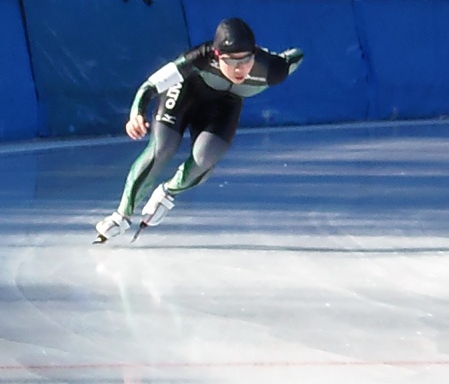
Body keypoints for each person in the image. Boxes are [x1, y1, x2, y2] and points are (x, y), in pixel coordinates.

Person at [94, 17, 305, 243]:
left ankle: (168, 193)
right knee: (163, 147)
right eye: (231, 60)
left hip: (226, 104)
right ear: (216, 55)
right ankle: (122, 214)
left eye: (245, 59)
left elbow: (296, 55)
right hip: (187, 92)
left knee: (206, 157)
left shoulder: (272, 69)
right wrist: (136, 113)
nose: (239, 68)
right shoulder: (200, 57)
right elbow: (150, 86)